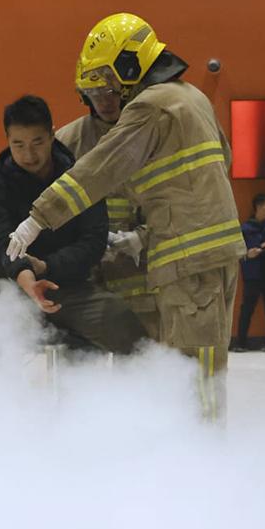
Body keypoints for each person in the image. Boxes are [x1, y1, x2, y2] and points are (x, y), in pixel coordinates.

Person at [5, 13, 245, 420]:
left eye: (111, 84)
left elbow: (100, 170)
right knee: (200, 368)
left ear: (131, 67)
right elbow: (218, 165)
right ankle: (193, 452)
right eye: (95, 90)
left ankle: (200, 462)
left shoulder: (151, 106)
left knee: (190, 374)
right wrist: (151, 233)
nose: (107, 97)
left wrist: (37, 218)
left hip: (185, 262)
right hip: (206, 259)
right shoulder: (193, 99)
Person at [0, 95, 147, 355]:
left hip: (70, 286)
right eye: (18, 145)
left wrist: (47, 267)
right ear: (7, 141)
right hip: (14, 287)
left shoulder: (80, 181)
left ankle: (133, 391)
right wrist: (29, 281)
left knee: (121, 321)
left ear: (52, 135)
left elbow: (93, 242)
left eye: (37, 142)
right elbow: (4, 246)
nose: (29, 154)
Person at [55, 63, 161, 342]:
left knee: (146, 359)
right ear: (83, 96)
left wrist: (142, 237)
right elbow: (54, 205)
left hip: (142, 277)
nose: (104, 101)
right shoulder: (67, 141)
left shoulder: (150, 133)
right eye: (94, 93)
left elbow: (171, 200)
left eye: (111, 91)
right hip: (88, 281)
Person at [234, 193, 265, 351]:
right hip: (252, 274)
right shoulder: (245, 228)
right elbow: (236, 251)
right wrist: (247, 254)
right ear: (259, 207)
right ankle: (241, 342)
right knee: (247, 308)